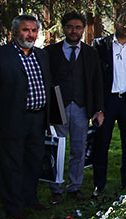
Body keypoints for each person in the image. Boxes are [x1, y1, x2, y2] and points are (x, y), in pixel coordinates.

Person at [0, 14, 52, 219]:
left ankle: (30, 199)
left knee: (34, 162)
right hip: (11, 120)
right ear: (14, 32)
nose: (30, 34)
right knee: (11, 165)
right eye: (25, 30)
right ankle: (14, 207)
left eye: (33, 30)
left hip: (37, 119)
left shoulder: (42, 55)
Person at [44, 11, 103, 202]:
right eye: (70, 27)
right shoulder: (50, 52)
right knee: (57, 149)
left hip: (81, 107)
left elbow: (97, 82)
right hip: (58, 106)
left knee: (79, 149)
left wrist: (98, 109)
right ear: (63, 28)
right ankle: (56, 189)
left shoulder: (90, 53)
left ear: (83, 29)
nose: (74, 31)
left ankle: (74, 187)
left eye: (78, 27)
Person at [92, 12, 126, 194]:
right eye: (123, 22)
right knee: (102, 144)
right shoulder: (101, 45)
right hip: (107, 102)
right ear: (115, 24)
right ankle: (99, 184)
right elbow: (94, 77)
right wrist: (97, 108)